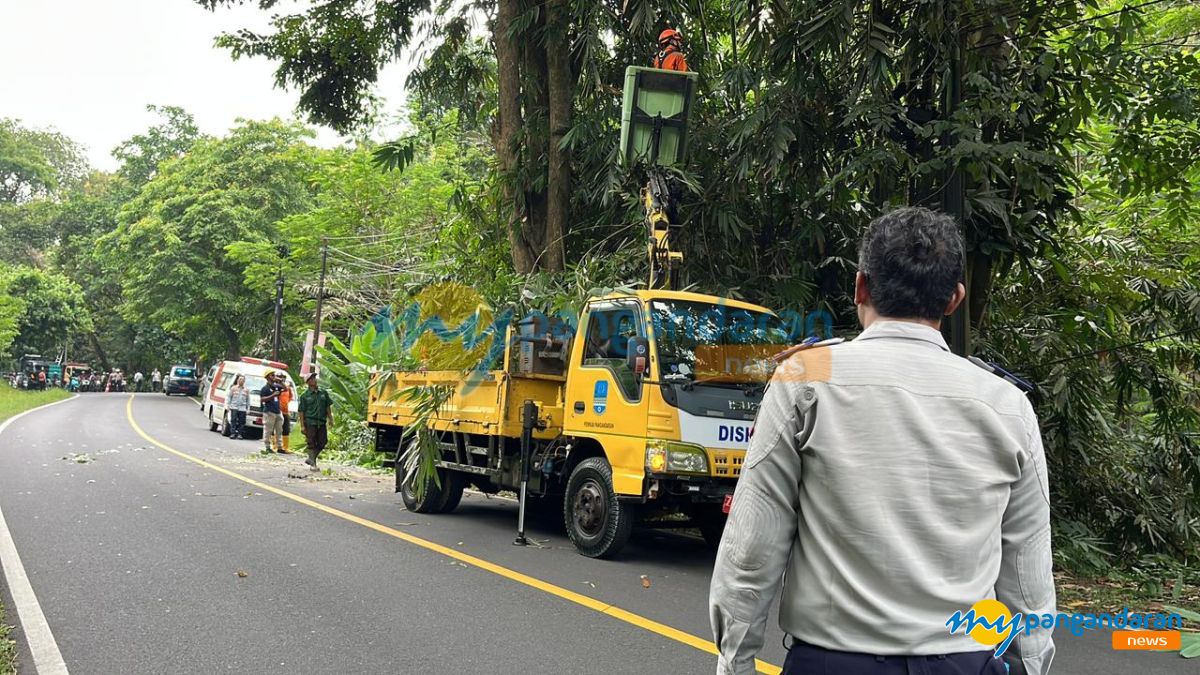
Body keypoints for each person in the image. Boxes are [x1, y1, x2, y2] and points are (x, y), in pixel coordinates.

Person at [709, 207, 1054, 675]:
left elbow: (752, 546)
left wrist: (735, 662)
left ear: (860, 287)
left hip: (833, 665)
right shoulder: (1007, 404)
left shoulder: (807, 379)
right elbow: (1026, 576)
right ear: (954, 299)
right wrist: (1028, 666)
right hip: (966, 663)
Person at [297, 371, 334, 470]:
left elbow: (327, 407)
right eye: (312, 379)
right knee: (311, 442)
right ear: (308, 382)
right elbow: (301, 411)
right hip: (310, 422)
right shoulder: (305, 396)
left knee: (323, 442)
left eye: (314, 378)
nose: (314, 380)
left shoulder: (323, 393)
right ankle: (313, 464)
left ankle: (311, 458)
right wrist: (302, 426)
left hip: (321, 421)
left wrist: (330, 418)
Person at [259, 370, 286, 453]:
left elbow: (285, 389)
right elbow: (262, 399)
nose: (274, 376)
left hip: (277, 411)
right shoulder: (265, 388)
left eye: (274, 375)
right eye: (272, 375)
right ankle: (267, 447)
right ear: (267, 377)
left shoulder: (276, 386)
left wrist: (281, 381)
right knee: (268, 430)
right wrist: (272, 395)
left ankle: (279, 447)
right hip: (269, 412)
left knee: (279, 430)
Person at [227, 374, 250, 440]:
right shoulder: (233, 388)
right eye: (240, 379)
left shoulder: (246, 390)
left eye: (242, 380)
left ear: (244, 381)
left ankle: (240, 434)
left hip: (242, 408)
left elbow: (248, 400)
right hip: (234, 407)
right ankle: (232, 433)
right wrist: (228, 406)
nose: (241, 381)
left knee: (242, 422)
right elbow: (229, 397)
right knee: (233, 420)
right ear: (237, 380)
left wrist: (248, 408)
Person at [278, 376, 295, 454]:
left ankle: (285, 447)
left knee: (286, 429)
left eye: (283, 378)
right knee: (276, 429)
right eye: (280, 377)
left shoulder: (288, 388)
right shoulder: (275, 387)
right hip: (277, 411)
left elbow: (290, 397)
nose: (282, 379)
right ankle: (275, 446)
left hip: (285, 411)